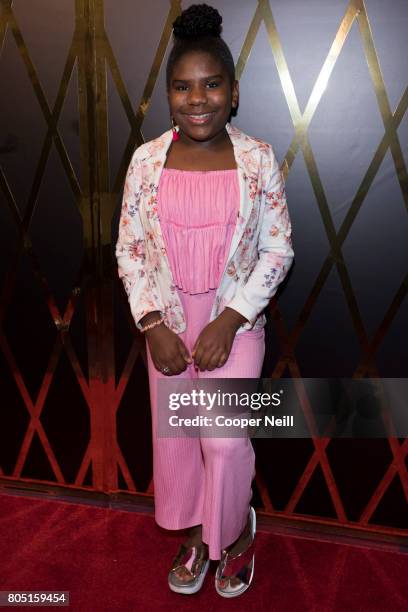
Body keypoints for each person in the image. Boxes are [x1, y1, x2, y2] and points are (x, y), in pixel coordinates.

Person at [115, 3, 294, 598]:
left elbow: (277, 251)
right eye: (184, 86)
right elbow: (130, 250)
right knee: (179, 443)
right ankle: (196, 535)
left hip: (232, 327)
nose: (198, 99)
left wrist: (230, 319)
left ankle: (236, 535)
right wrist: (152, 323)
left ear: (234, 93)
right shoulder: (145, 162)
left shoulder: (258, 159)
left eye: (212, 84)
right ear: (168, 95)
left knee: (220, 439)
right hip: (167, 324)